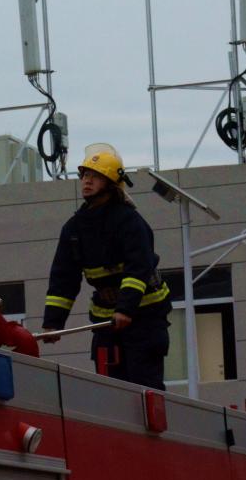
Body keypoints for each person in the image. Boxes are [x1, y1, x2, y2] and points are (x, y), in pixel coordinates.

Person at [41, 144, 171, 390]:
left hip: (144, 317)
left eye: (96, 176)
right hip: (106, 321)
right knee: (109, 388)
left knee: (144, 388)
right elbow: (63, 279)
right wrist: (53, 323)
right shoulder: (74, 229)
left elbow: (138, 267)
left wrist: (125, 309)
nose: (87, 181)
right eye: (84, 175)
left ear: (111, 184)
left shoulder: (129, 222)